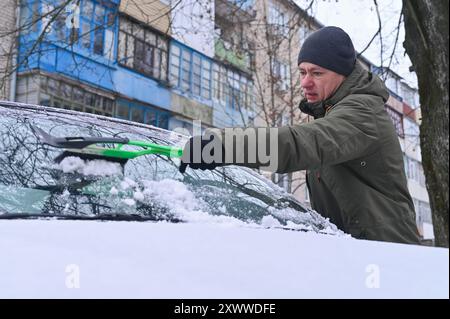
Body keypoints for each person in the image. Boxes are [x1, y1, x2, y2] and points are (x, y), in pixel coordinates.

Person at [179, 26, 421, 245]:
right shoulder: (329, 111)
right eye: (302, 72)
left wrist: (223, 146)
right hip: (356, 250)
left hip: (388, 253)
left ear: (343, 73)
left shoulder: (363, 113)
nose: (305, 82)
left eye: (316, 73)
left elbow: (303, 144)